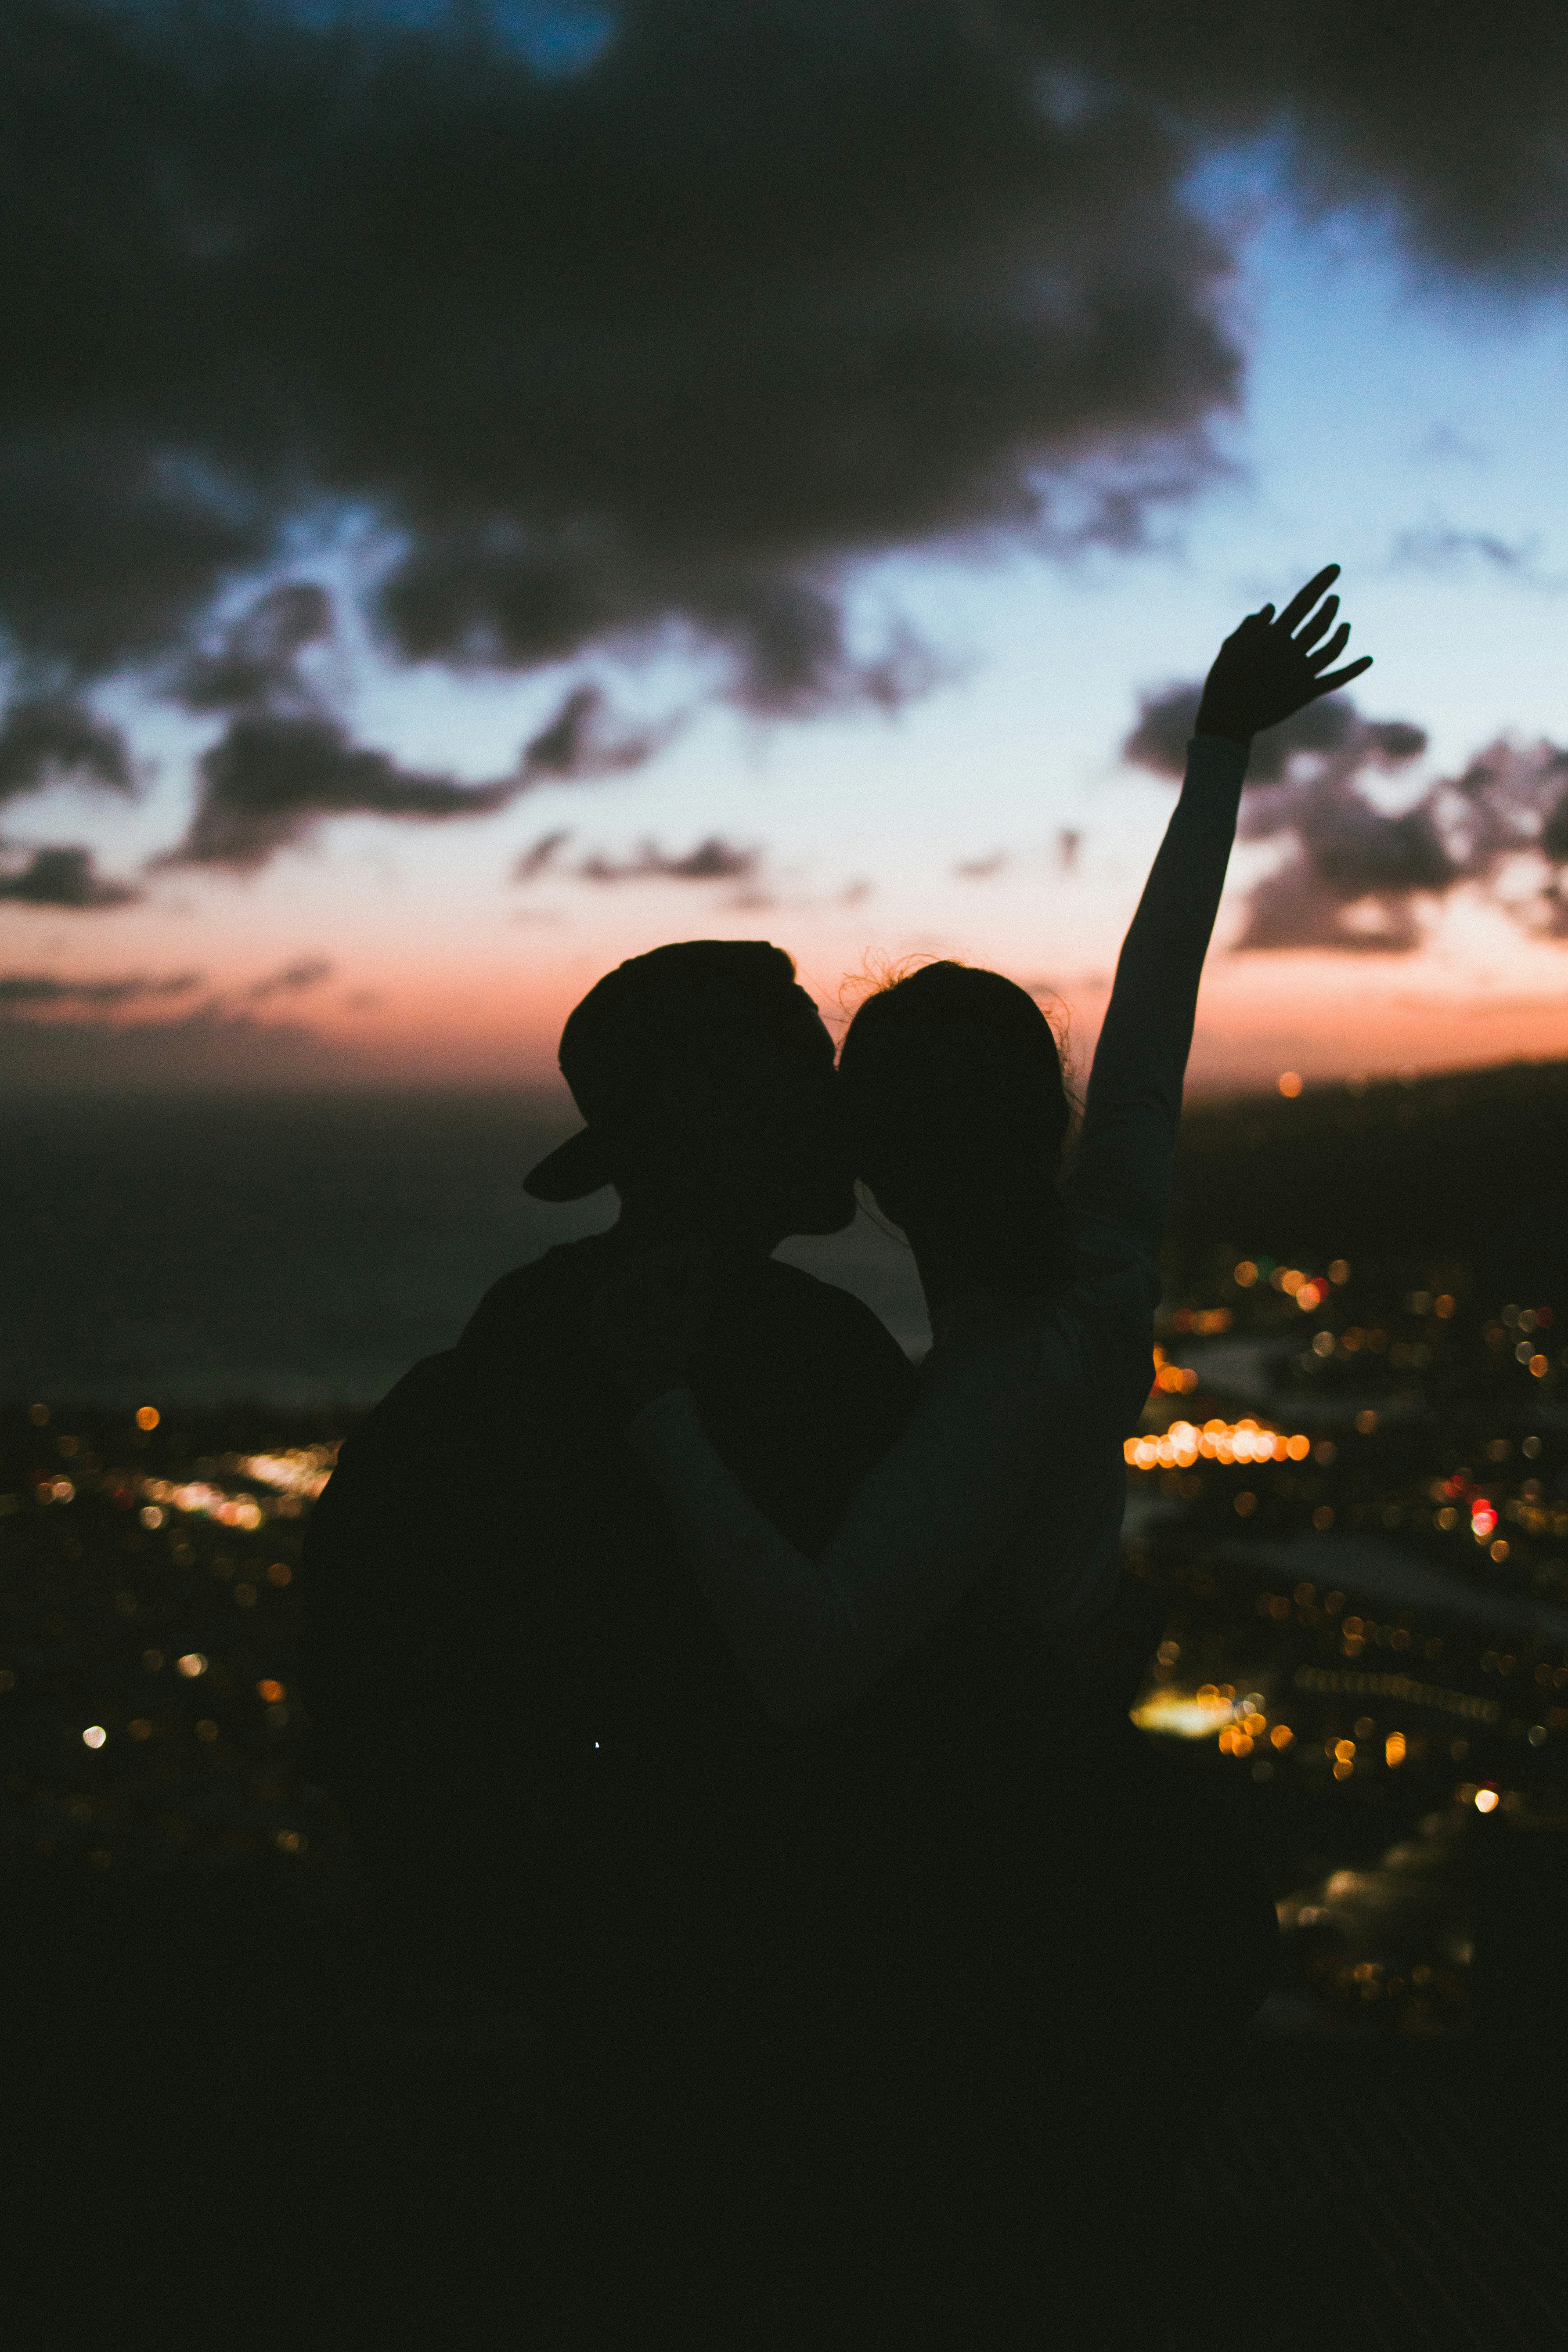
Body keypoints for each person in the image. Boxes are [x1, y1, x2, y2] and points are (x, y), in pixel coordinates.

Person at [589, 567, 1372, 2338]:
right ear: (1038, 1122)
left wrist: (656, 1409)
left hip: (1002, 1899)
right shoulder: (1089, 1279)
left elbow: (802, 1662)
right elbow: (1155, 1019)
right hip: (1080, 1857)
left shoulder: (993, 1385)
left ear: (861, 1156)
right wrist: (1217, 748)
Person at [295, 939, 919, 2331]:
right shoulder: (815, 1359)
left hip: (585, 1984)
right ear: (722, 1118)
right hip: (772, 2003)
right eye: (805, 1072)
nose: (839, 1110)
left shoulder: (515, 1337)